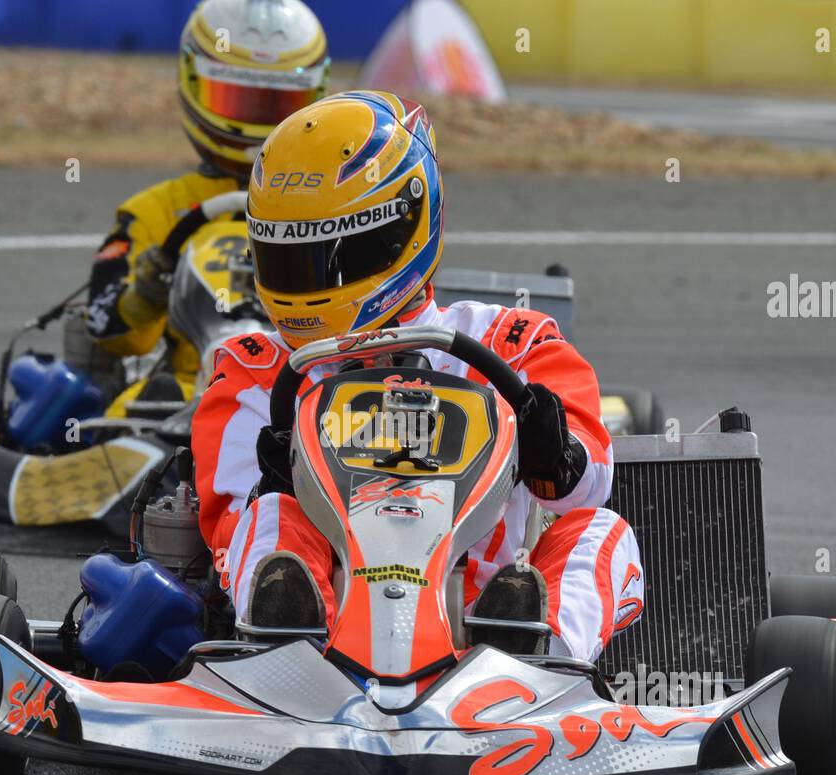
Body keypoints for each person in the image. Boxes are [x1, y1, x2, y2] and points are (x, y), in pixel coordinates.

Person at [191, 91, 644, 662]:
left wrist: (552, 453)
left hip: (480, 628)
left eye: (330, 257)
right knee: (268, 514)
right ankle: (288, 645)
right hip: (325, 643)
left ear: (400, 227)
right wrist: (279, 482)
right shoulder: (255, 366)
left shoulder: (511, 342)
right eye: (288, 261)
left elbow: (589, 485)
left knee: (601, 531)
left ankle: (534, 654)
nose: (306, 282)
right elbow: (230, 524)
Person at [83, 0, 329, 399]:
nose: (255, 120)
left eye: (275, 105)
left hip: (308, 391)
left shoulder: (332, 205)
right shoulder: (153, 212)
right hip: (183, 398)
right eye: (237, 99)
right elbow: (106, 329)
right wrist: (145, 294)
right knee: (133, 405)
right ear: (193, 83)